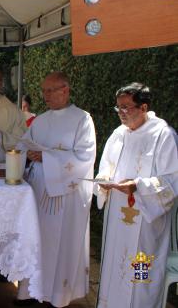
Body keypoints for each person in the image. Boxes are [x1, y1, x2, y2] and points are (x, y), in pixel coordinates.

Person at [15, 72, 96, 307]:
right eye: (44, 91)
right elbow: (23, 144)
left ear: (65, 90)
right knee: (36, 239)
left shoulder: (82, 119)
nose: (45, 96)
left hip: (67, 194)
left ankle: (58, 296)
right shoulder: (40, 120)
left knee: (61, 243)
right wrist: (27, 154)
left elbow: (85, 157)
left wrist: (47, 158)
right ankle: (29, 292)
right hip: (40, 189)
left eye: (50, 91)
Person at [95, 83, 178, 308]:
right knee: (115, 265)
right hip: (117, 219)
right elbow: (106, 167)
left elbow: (172, 182)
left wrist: (138, 186)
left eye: (126, 108)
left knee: (140, 272)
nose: (121, 113)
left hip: (145, 222)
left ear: (143, 107)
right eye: (118, 108)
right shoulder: (118, 135)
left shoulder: (163, 135)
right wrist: (103, 181)